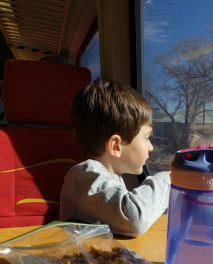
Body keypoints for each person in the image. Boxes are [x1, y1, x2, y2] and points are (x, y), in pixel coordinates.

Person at [60, 78, 170, 236]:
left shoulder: (110, 177)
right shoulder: (83, 175)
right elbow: (134, 219)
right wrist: (170, 179)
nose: (151, 147)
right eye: (147, 138)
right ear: (116, 146)